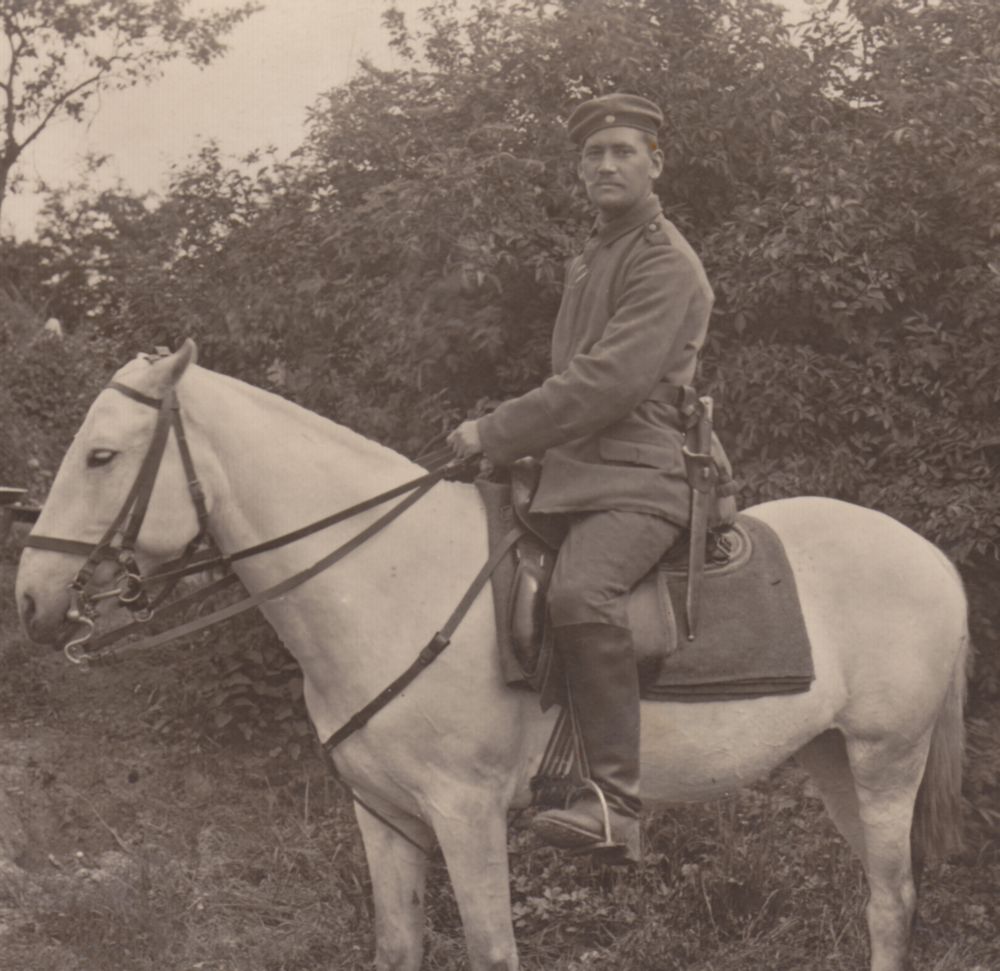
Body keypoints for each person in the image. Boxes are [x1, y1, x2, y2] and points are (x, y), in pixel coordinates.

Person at [447, 93, 735, 863]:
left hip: (642, 474)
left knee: (581, 592)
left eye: (623, 151)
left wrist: (497, 430)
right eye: (593, 154)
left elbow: (609, 382)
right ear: (579, 170)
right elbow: (578, 382)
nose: (607, 165)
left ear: (655, 164)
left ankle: (614, 803)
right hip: (580, 471)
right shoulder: (595, 255)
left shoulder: (665, 260)